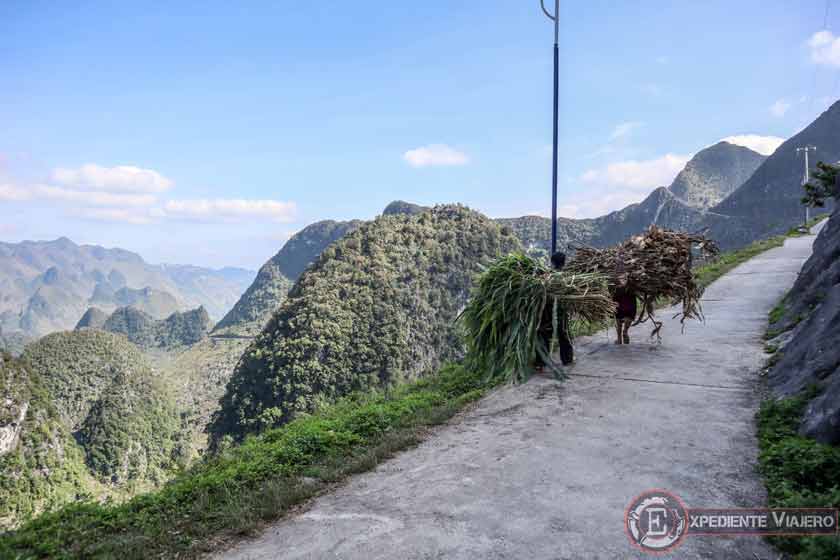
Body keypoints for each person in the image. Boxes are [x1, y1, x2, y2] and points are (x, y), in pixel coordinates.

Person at [534, 251, 574, 371]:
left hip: (545, 311)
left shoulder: (546, 276)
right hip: (560, 312)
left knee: (543, 335)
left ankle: (540, 363)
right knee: (563, 334)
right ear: (564, 262)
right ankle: (567, 360)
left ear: (552, 262)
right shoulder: (568, 277)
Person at [613, 274, 637, 345]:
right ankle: (619, 338)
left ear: (627, 280)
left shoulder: (631, 288)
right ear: (618, 280)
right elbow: (614, 298)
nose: (623, 280)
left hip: (630, 308)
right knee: (618, 323)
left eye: (625, 279)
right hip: (620, 307)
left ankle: (625, 332)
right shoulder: (616, 288)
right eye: (621, 279)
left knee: (627, 320)